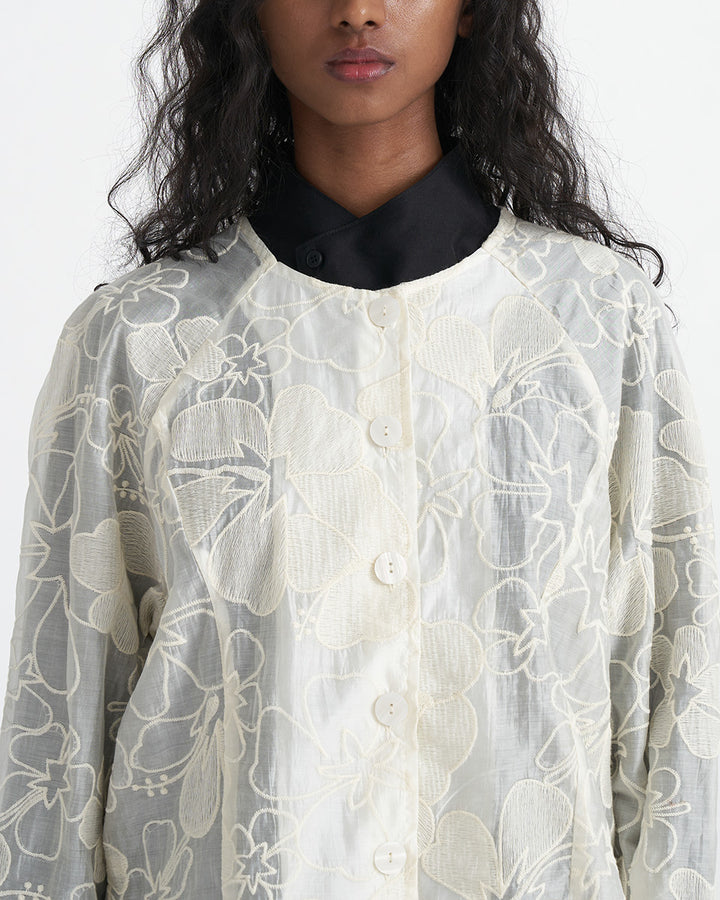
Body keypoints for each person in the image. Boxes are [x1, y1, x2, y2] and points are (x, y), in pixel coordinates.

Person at [0, 0, 717, 896]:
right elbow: (60, 723)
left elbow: (678, 691)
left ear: (471, 10)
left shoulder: (596, 324)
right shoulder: (140, 342)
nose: (357, 12)